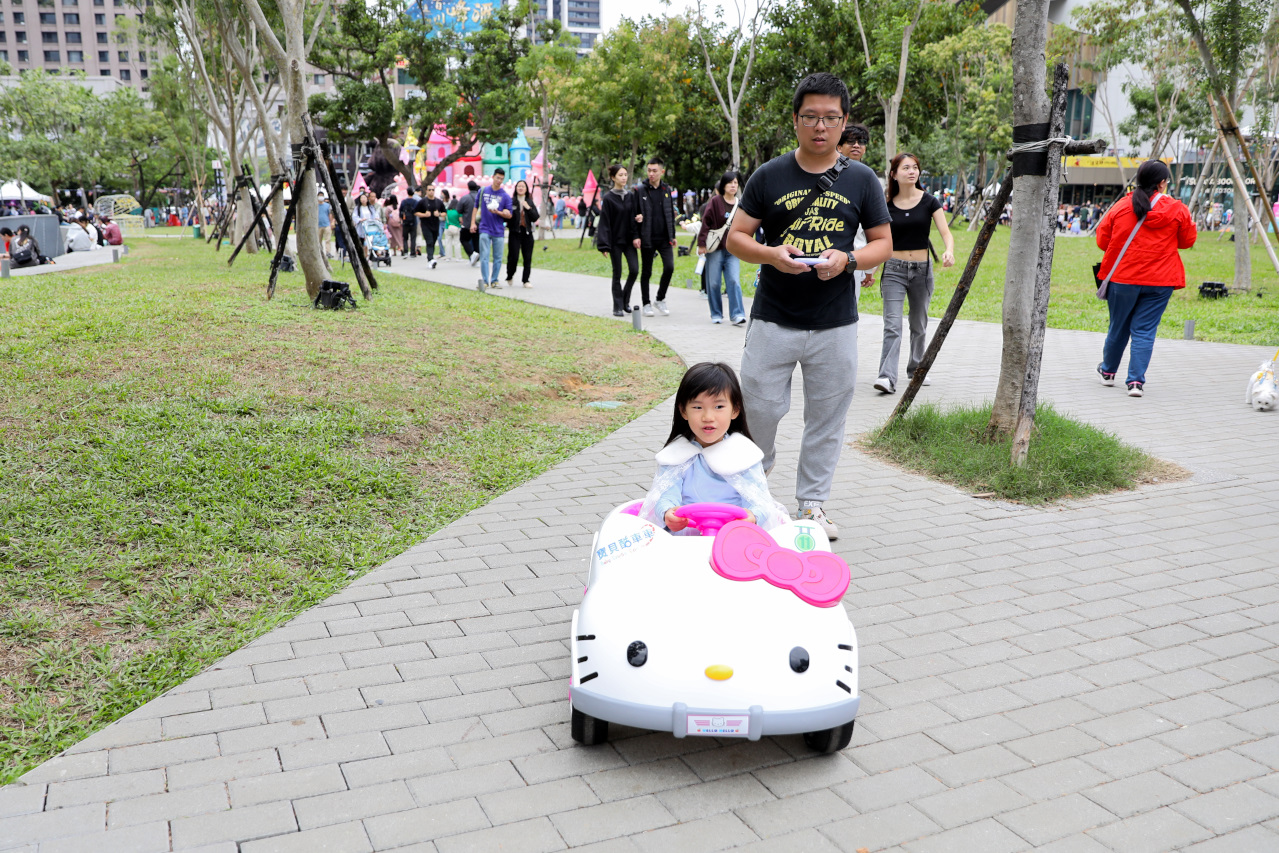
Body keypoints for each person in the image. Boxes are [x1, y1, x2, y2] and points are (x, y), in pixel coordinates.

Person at [724, 72, 893, 540]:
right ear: (795, 120)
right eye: (811, 117)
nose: (821, 127)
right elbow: (737, 236)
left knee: (826, 417)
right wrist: (770, 254)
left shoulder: (861, 180)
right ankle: (751, 499)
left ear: (844, 123)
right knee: (757, 411)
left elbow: (883, 242)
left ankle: (812, 505)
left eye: (831, 118)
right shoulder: (769, 175)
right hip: (773, 318)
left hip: (835, 322)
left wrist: (850, 260)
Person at [638, 362, 789, 533]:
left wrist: (753, 516)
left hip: (732, 535)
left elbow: (758, 499)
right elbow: (666, 494)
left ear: (735, 410)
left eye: (719, 407)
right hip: (688, 534)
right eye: (697, 407)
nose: (708, 417)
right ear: (683, 411)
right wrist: (667, 512)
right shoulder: (676, 455)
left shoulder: (743, 454)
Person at [1095, 159, 1196, 397]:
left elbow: (1102, 240)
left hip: (1124, 278)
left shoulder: (1122, 206)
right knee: (1145, 331)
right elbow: (1187, 241)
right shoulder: (1178, 209)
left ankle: (1108, 373)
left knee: (1118, 327)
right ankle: (1135, 383)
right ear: (1162, 184)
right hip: (1160, 281)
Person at [872, 152, 955, 394]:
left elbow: (945, 233)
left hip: (922, 270)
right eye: (906, 167)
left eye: (915, 167)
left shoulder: (930, 201)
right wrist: (872, 271)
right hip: (893, 271)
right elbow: (880, 241)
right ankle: (886, 377)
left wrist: (949, 251)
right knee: (892, 326)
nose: (912, 171)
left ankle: (916, 369)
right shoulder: (885, 205)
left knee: (918, 324)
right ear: (894, 174)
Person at [697, 170, 746, 325]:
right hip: (715, 249)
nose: (733, 185)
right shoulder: (715, 201)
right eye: (730, 182)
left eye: (735, 183)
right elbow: (706, 222)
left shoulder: (740, 203)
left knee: (733, 281)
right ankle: (716, 314)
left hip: (733, 250)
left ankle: (737, 314)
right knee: (714, 283)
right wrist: (701, 243)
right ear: (724, 185)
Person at [635, 157, 678, 317]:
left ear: (662, 171)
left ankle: (660, 299)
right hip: (647, 237)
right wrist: (636, 234)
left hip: (664, 237)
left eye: (654, 170)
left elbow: (669, 214)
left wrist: (672, 235)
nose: (651, 174)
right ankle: (646, 303)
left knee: (669, 267)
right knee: (646, 271)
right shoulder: (640, 190)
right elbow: (635, 214)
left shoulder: (666, 190)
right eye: (649, 170)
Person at [596, 164, 642, 316]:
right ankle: (617, 306)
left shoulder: (631, 196)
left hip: (629, 241)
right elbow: (605, 223)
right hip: (615, 242)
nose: (623, 177)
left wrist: (636, 235)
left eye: (625, 174)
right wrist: (604, 246)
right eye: (620, 175)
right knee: (617, 274)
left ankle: (625, 300)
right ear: (613, 177)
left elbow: (634, 217)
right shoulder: (608, 198)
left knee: (634, 270)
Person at [836, 123, 876, 294]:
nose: (857, 145)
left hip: (855, 259)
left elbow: (873, 227)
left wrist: (870, 268)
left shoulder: (868, 179)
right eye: (851, 141)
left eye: (862, 142)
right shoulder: (825, 174)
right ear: (839, 146)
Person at [473, 169, 512, 290]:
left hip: (499, 230)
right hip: (484, 228)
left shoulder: (505, 196)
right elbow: (475, 207)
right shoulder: (483, 191)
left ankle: (494, 280)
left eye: (501, 179)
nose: (499, 181)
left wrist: (499, 212)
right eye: (497, 178)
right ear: (493, 177)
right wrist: (472, 223)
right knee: (484, 255)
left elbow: (509, 215)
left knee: (498, 257)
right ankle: (485, 281)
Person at [504, 179, 539, 287]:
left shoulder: (529, 201)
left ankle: (526, 280)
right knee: (513, 256)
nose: (521, 188)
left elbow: (535, 217)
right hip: (514, 232)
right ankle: (510, 275)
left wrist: (528, 208)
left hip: (527, 233)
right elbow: (507, 218)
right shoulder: (511, 201)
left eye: (523, 186)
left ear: (526, 189)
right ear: (516, 188)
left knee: (527, 257)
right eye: (519, 186)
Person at [415, 183, 446, 269]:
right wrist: (424, 215)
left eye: (433, 190)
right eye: (429, 190)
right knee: (429, 241)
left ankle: (430, 258)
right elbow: (416, 212)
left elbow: (444, 213)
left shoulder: (438, 202)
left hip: (435, 225)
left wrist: (439, 214)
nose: (431, 192)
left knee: (433, 242)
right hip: (425, 225)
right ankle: (430, 259)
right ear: (426, 191)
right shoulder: (422, 202)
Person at [457, 180, 480, 265]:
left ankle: (471, 254)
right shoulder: (480, 198)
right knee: (476, 241)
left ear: (468, 187)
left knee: (463, 239)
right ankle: (476, 259)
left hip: (467, 223)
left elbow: (459, 209)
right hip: (478, 223)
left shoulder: (464, 198)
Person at [398, 189, 420, 257]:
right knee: (413, 237)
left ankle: (406, 252)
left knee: (405, 238)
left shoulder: (404, 202)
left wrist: (401, 219)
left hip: (405, 222)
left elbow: (400, 211)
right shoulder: (415, 202)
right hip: (413, 221)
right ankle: (413, 252)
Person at [317, 193, 334, 258]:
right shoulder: (315, 205)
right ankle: (320, 252)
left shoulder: (327, 205)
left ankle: (328, 252)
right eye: (319, 196)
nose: (321, 197)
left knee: (328, 240)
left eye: (322, 196)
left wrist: (331, 222)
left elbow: (330, 214)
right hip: (318, 225)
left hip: (326, 224)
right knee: (319, 240)